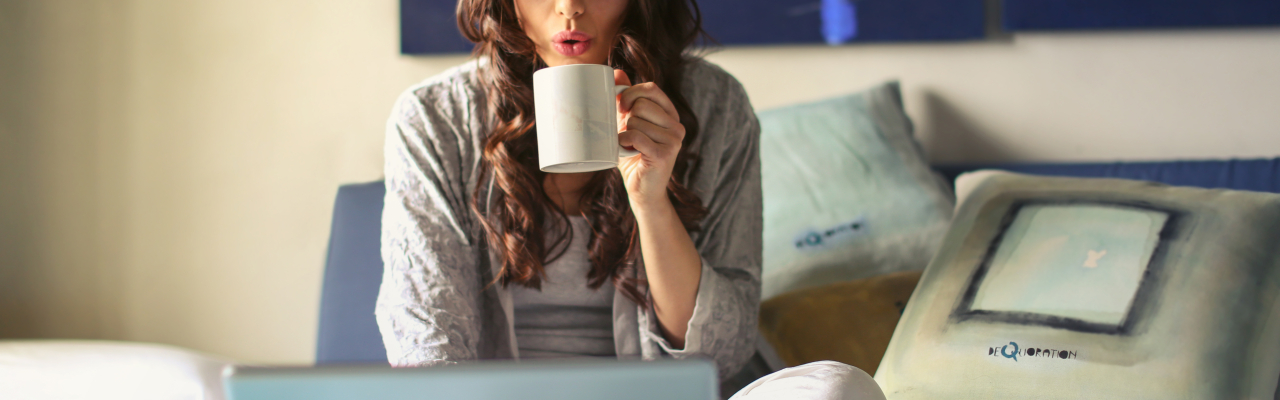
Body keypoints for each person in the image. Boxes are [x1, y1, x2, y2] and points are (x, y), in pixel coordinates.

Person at [376, 0, 885, 398]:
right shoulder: (434, 119)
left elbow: (722, 353)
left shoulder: (717, 106)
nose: (570, 9)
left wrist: (651, 198)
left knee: (838, 389)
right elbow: (427, 343)